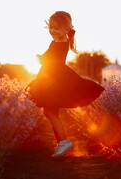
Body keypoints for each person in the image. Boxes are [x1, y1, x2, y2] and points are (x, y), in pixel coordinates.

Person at [26, 11, 104, 158]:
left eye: (56, 28)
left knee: (50, 111)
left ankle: (64, 142)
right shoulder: (56, 42)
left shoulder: (62, 43)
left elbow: (52, 60)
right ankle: (61, 143)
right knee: (49, 111)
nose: (52, 31)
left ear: (66, 29)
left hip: (55, 78)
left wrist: (40, 58)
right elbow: (47, 58)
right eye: (51, 28)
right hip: (49, 77)